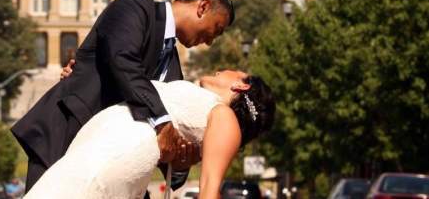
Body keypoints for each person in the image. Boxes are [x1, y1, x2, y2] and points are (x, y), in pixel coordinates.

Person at [10, 0, 235, 194]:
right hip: (67, 137)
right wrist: (162, 121)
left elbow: (170, 149)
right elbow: (122, 61)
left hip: (112, 164)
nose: (210, 42)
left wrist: (178, 164)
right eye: (216, 29)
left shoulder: (172, 67)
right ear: (203, 7)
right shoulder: (136, 5)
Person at [24, 70, 276, 198]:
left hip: (113, 153)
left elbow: (209, 190)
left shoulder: (225, 117)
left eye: (234, 70)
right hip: (102, 145)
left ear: (240, 84)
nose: (222, 69)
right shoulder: (207, 110)